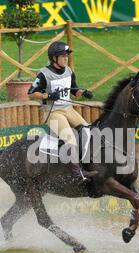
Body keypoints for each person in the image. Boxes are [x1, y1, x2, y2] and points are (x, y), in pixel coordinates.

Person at [28, 41, 98, 184]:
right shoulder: (44, 74)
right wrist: (47, 96)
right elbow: (31, 93)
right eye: (63, 56)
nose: (66, 58)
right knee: (70, 138)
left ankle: (84, 163)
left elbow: (74, 90)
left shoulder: (69, 71)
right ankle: (76, 174)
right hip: (52, 112)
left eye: (67, 56)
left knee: (86, 130)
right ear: (54, 58)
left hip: (68, 109)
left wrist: (83, 93)